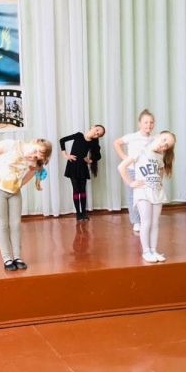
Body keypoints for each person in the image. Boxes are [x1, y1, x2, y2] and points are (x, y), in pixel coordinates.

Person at [0, 138, 52, 271]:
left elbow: (33, 170)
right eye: (35, 151)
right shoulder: (11, 145)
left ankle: (17, 257)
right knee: (2, 225)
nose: (34, 156)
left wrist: (20, 184)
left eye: (37, 156)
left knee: (15, 224)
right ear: (34, 141)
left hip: (14, 192)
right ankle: (7, 258)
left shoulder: (33, 160)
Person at [117, 131, 176, 263]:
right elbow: (121, 167)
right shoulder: (140, 151)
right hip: (143, 192)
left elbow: (161, 170)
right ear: (158, 136)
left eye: (167, 145)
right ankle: (146, 251)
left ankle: (154, 250)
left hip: (157, 193)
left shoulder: (159, 157)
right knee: (146, 222)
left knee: (155, 223)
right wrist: (130, 183)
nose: (164, 145)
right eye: (164, 139)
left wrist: (159, 182)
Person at [113, 109, 156, 232]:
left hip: (146, 171)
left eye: (151, 122)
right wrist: (124, 157)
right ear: (139, 123)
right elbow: (116, 143)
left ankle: (145, 220)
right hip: (132, 171)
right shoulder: (132, 137)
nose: (149, 125)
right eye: (146, 122)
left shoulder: (154, 139)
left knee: (146, 196)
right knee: (132, 196)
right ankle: (136, 221)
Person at [60, 124, 105, 220]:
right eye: (97, 130)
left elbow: (98, 156)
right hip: (72, 166)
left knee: (82, 190)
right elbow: (62, 140)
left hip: (83, 167)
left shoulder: (93, 142)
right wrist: (66, 155)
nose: (96, 133)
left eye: (98, 134)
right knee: (76, 189)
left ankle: (84, 212)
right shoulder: (79, 135)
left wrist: (90, 160)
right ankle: (78, 213)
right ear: (93, 127)